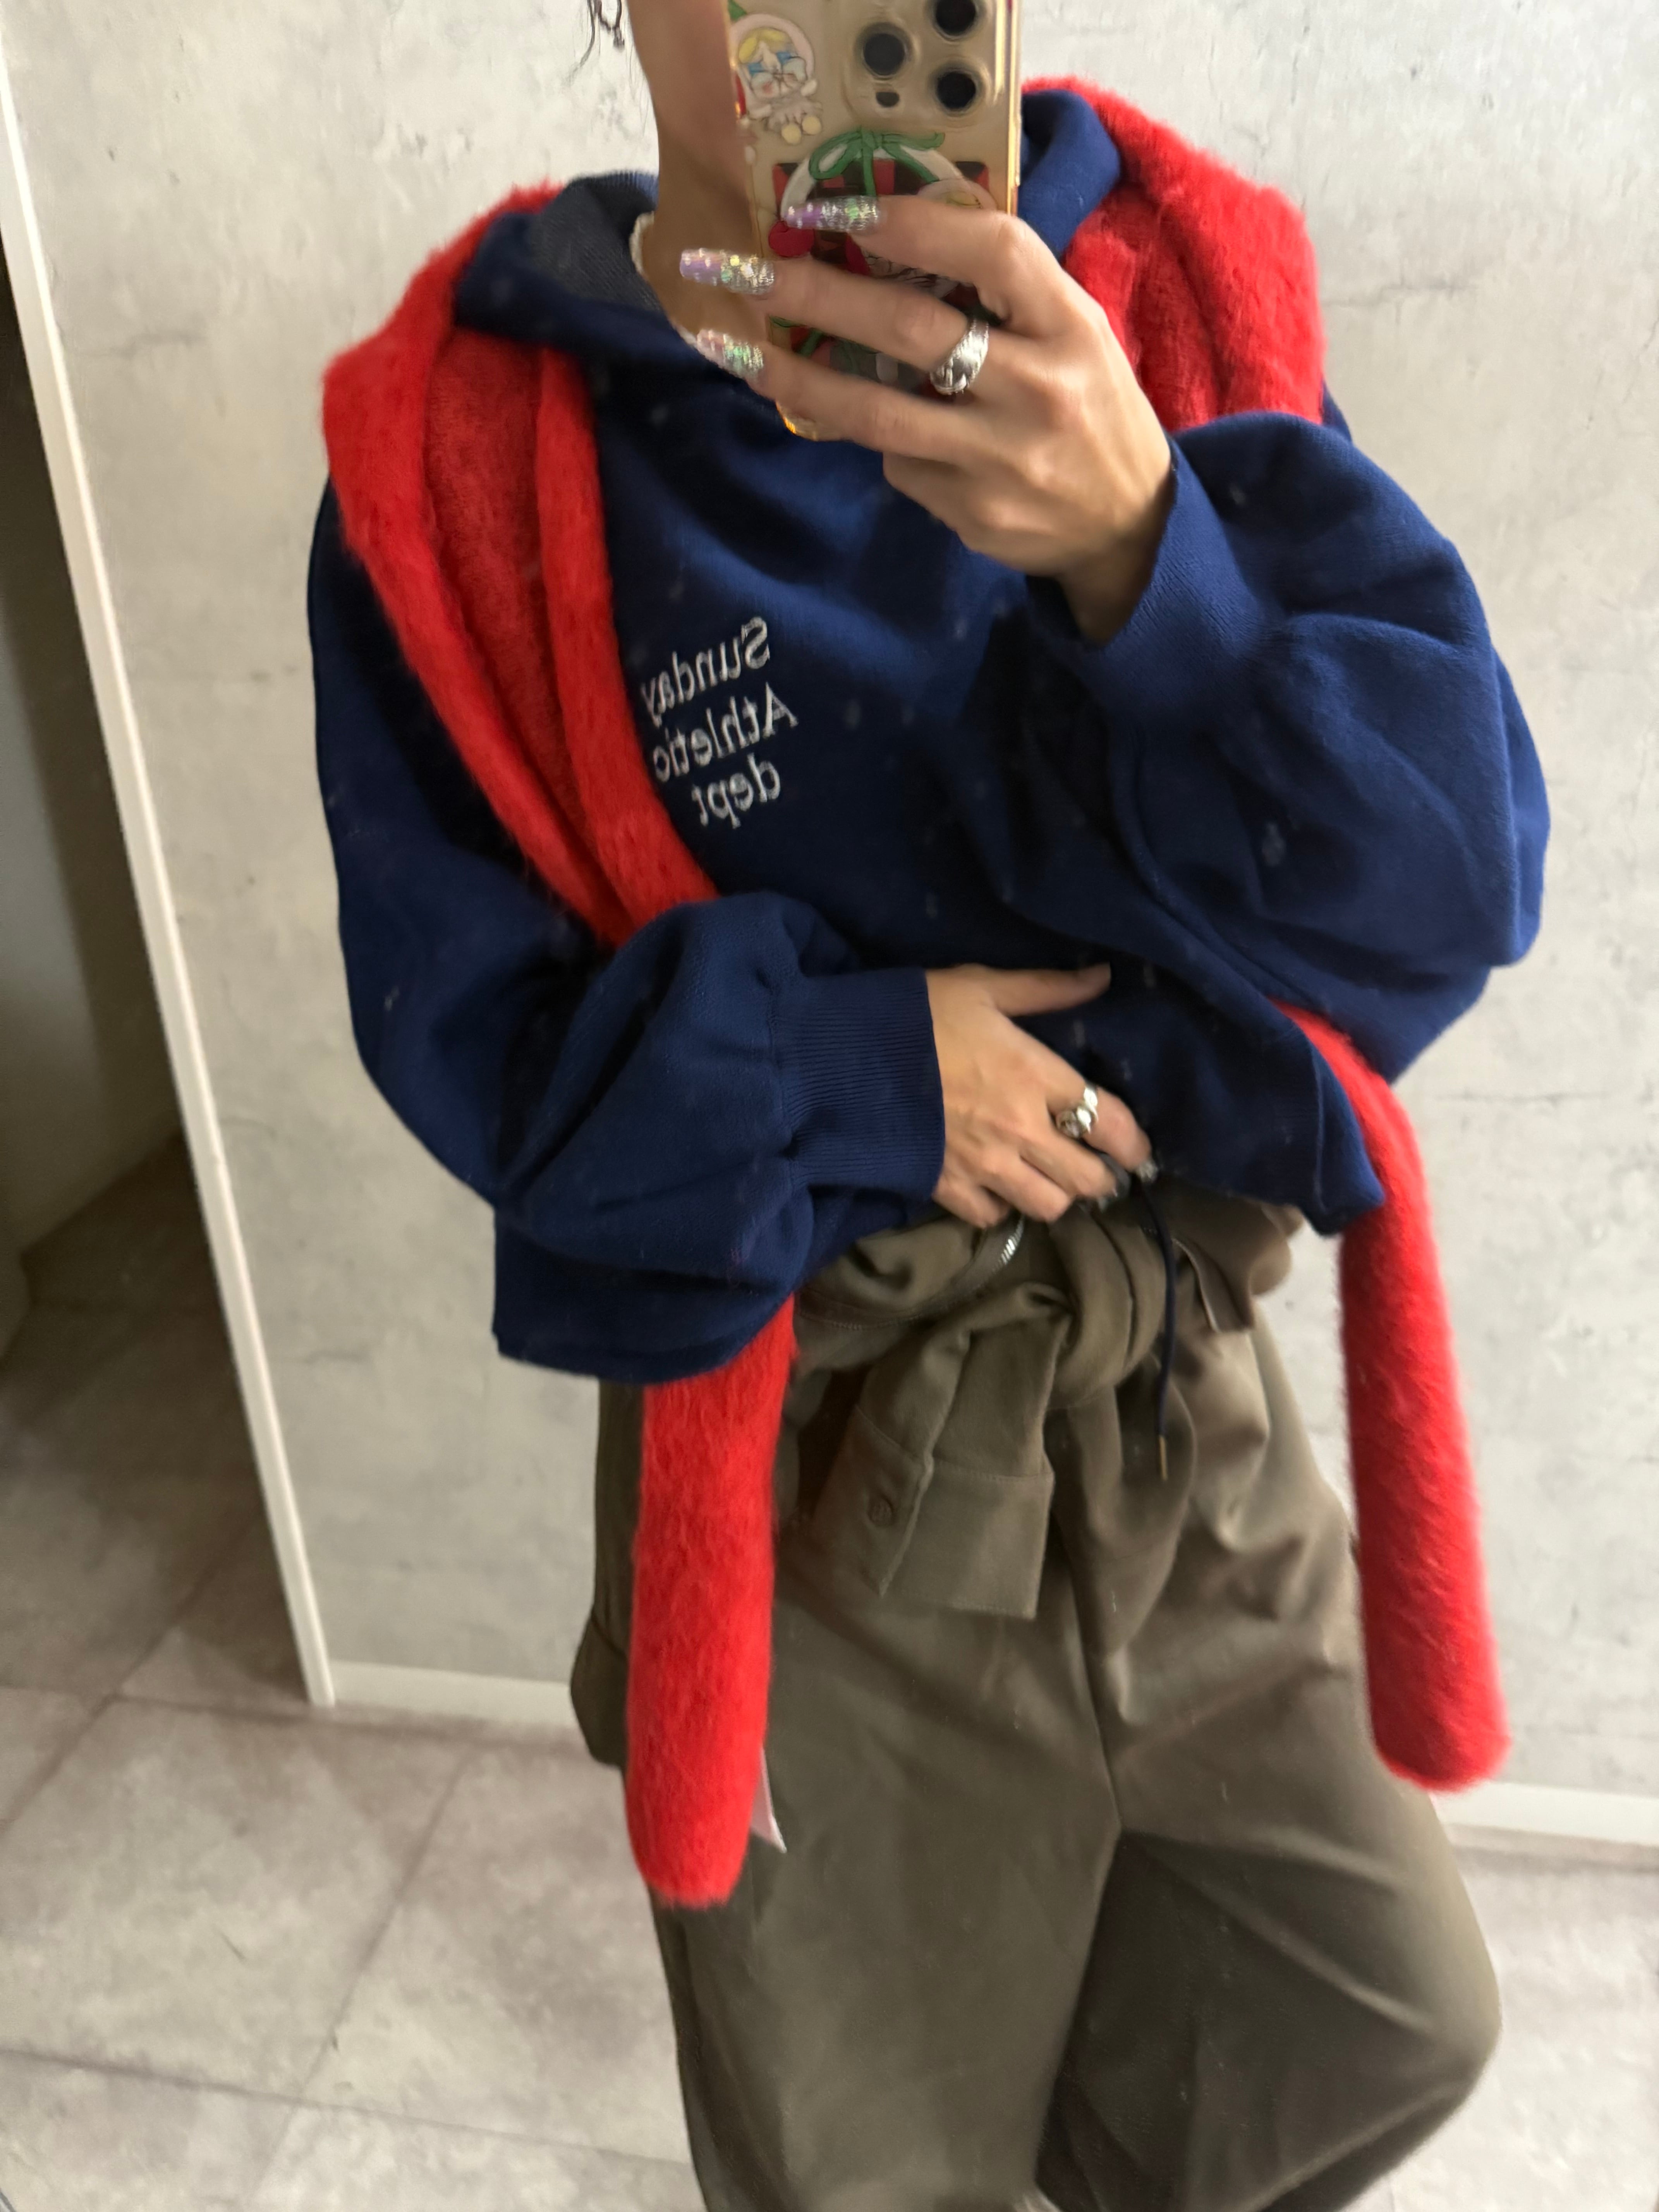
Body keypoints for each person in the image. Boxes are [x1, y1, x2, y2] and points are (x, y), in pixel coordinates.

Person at [309, 2, 1549, 2205]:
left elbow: (1444, 896)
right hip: (806, 1462)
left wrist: (1152, 554)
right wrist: (867, 1070)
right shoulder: (473, 439)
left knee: (1376, 2021)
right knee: (864, 2159)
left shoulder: (1154, 293)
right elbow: (483, 1058)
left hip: (1173, 1396)